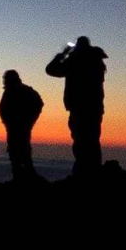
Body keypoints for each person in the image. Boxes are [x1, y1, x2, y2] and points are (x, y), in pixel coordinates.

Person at [45, 36, 108, 177]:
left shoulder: (76, 60)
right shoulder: (97, 60)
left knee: (81, 140)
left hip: (79, 107)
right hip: (95, 108)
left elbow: (51, 70)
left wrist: (63, 54)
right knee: (92, 140)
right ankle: (93, 172)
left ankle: (83, 174)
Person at [0, 70, 44, 181]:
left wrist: (29, 120)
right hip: (13, 128)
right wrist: (8, 122)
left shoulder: (24, 91)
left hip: (21, 128)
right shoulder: (11, 92)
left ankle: (24, 179)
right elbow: (2, 109)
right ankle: (20, 178)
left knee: (21, 152)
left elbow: (39, 103)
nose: (4, 81)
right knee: (17, 153)